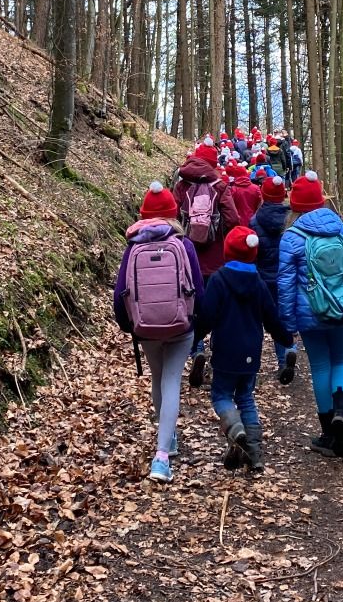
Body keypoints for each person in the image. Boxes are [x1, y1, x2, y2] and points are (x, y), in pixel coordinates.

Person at [114, 182, 205, 484]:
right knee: (171, 381)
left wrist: (130, 326)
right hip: (181, 326)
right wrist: (198, 326)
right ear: (173, 214)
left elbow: (120, 294)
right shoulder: (184, 244)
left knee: (158, 377)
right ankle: (162, 455)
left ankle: (169, 440)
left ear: (143, 215)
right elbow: (198, 290)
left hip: (145, 327)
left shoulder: (133, 247)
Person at [277, 171, 343, 458]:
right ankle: (342, 411)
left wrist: (287, 324)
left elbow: (285, 286)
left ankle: (329, 433)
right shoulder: (339, 227)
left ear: (295, 206)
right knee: (342, 359)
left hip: (310, 314)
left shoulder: (291, 237)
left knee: (319, 366)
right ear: (321, 200)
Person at [194, 225, 292, 474]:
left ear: (227, 251)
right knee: (246, 398)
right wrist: (286, 339)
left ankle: (236, 429)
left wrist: (194, 339)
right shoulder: (258, 283)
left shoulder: (219, 280)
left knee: (221, 395)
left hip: (225, 352)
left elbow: (207, 316)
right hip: (251, 353)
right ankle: (254, 453)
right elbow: (271, 318)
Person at [173, 139, 240, 386]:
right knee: (218, 306)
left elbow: (171, 216)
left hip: (188, 257)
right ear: (212, 163)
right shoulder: (220, 186)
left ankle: (197, 348)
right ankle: (218, 350)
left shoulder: (182, 185)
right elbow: (233, 219)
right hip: (216, 259)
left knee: (193, 305)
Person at [252, 174, 297, 383]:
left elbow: (252, 253)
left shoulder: (254, 221)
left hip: (263, 279)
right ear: (283, 196)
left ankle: (253, 361)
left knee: (262, 320)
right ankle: (288, 352)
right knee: (284, 317)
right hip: (288, 277)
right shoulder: (292, 220)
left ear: (263, 195)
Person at [227, 160, 263, 224]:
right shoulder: (256, 188)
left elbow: (230, 208)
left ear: (235, 176)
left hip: (238, 222)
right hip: (253, 221)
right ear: (246, 174)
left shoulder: (233, 190)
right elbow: (260, 205)